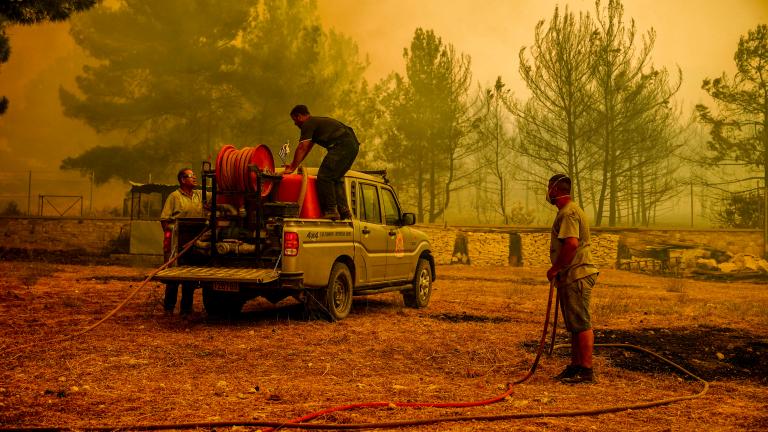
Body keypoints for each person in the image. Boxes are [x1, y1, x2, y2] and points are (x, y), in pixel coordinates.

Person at [546, 173, 599, 384]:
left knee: (582, 323)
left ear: (556, 190)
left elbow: (571, 244)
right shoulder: (568, 212)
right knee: (575, 324)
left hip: (578, 274)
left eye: (549, 188)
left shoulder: (568, 213)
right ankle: (576, 366)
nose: (547, 192)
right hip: (572, 275)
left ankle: (586, 371)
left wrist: (555, 268)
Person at [284, 104, 359, 220]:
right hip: (352, 146)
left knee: (324, 177)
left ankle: (331, 211)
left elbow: (302, 147)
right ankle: (344, 211)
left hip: (342, 145)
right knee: (335, 178)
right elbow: (307, 148)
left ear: (299, 116)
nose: (295, 124)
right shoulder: (316, 123)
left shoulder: (308, 124)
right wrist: (296, 164)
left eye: (294, 120)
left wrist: (292, 167)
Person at [160, 168, 203, 317]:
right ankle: (169, 309)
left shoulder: (199, 195)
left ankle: (186, 310)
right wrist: (170, 238)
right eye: (192, 176)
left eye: (194, 175)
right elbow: (164, 219)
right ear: (183, 180)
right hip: (178, 242)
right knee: (174, 277)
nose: (195, 178)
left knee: (190, 277)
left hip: (195, 241)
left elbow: (220, 196)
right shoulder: (174, 197)